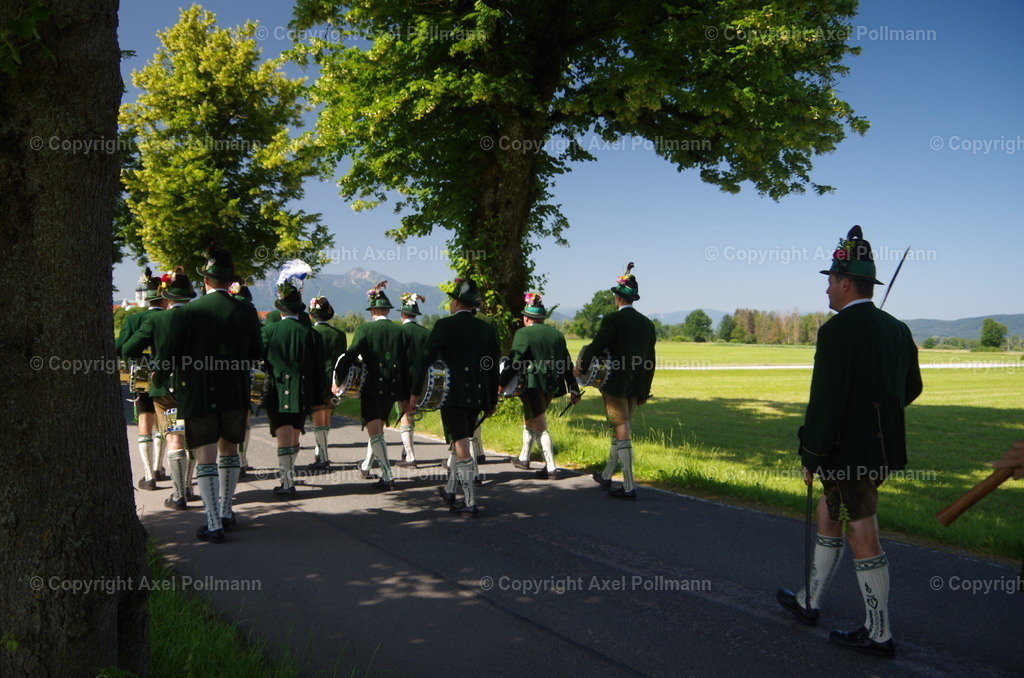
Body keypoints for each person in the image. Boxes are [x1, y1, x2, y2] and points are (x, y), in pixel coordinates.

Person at [776, 226, 923, 657]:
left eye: (829, 280)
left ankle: (879, 633)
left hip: (847, 454)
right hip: (878, 451)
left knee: (861, 532)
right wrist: (877, 411)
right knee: (830, 512)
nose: (825, 288)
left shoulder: (837, 331)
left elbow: (825, 404)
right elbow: (909, 390)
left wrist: (812, 454)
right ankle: (810, 600)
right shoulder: (896, 329)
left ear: (844, 282)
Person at [168, 245, 262, 543]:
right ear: (229, 281)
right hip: (234, 390)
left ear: (205, 280)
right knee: (230, 450)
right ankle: (225, 511)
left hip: (199, 391)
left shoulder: (188, 311)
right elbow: (256, 353)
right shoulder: (246, 310)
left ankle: (212, 523)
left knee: (205, 454)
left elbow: (170, 356)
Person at [410, 277, 500, 516]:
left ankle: (470, 501)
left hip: (453, 394)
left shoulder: (444, 325)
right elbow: (492, 367)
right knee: (460, 438)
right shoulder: (487, 328)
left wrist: (414, 392)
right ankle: (450, 490)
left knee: (461, 443)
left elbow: (424, 359)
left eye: (452, 299)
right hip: (478, 395)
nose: (450, 303)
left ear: (458, 303)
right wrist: (492, 400)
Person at [575, 263, 656, 500]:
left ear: (618, 298)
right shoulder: (647, 324)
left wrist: (580, 367)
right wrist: (644, 391)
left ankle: (629, 486)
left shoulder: (612, 320)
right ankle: (608, 474)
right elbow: (650, 361)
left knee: (622, 429)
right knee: (618, 427)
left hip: (614, 383)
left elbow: (595, 346)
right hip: (635, 386)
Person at [123, 267, 197, 510]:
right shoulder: (205, 318)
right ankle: (187, 485)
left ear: (168, 296)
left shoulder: (156, 319)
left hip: (166, 387)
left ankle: (178, 495)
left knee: (175, 438)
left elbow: (127, 349)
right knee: (194, 438)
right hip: (198, 386)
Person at [333, 281, 410, 490]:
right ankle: (369, 465)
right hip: (393, 387)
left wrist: (338, 380)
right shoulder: (400, 331)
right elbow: (405, 364)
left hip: (372, 385)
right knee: (378, 429)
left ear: (374, 310)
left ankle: (387, 474)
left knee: (374, 430)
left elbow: (349, 356)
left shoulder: (365, 329)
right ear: (387, 310)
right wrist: (406, 394)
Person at [261, 262, 324, 497]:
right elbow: (319, 371)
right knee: (295, 430)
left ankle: (287, 482)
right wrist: (319, 397)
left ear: (280, 309)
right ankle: (289, 476)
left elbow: (258, 362)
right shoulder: (312, 335)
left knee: (283, 432)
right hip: (303, 391)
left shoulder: (267, 332)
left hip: (276, 390)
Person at [505, 292, 580, 479]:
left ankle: (551, 467)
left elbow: (514, 361)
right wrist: (574, 388)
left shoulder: (523, 333)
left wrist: (501, 383)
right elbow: (566, 363)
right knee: (530, 418)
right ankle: (524, 457)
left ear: (527, 317)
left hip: (532, 384)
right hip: (552, 385)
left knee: (540, 425)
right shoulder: (557, 334)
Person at [115, 267, 165, 491]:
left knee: (145, 421)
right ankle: (158, 467)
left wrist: (129, 362)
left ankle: (148, 476)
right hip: (169, 373)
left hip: (143, 373)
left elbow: (121, 348)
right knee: (168, 421)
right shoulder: (171, 317)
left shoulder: (135, 319)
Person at [308, 296, 346, 471]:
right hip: (333, 379)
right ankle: (321, 451)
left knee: (317, 418)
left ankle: (322, 456)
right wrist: (339, 382)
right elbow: (342, 361)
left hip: (315, 379)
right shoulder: (339, 334)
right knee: (326, 417)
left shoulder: (309, 333)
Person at [396, 293, 430, 467]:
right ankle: (406, 449)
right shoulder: (426, 333)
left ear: (402, 314)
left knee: (405, 414)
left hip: (403, 380)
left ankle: (410, 456)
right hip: (423, 380)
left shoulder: (399, 331)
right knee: (411, 414)